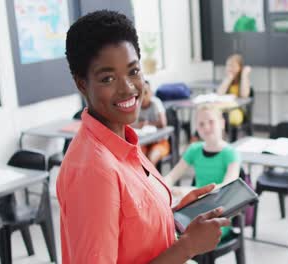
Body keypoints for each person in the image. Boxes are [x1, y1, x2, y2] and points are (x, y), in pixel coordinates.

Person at [57, 10, 229, 263]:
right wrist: (187, 247)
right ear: (82, 84)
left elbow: (131, 228)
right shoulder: (94, 171)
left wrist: (173, 212)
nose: (127, 87)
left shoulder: (124, 141)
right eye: (108, 78)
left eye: (133, 71)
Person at [165, 104, 241, 239]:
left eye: (211, 122)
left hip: (218, 215)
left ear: (222, 123)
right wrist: (164, 187)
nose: (206, 127)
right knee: (167, 228)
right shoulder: (194, 149)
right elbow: (171, 176)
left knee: (180, 236)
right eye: (201, 124)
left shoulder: (231, 153)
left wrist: (189, 191)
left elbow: (227, 187)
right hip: (197, 210)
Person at [133, 80, 170, 165]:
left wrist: (146, 124)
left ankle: (150, 178)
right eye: (140, 93)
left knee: (151, 159)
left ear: (151, 93)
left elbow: (163, 123)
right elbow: (129, 125)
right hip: (144, 142)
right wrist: (139, 125)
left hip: (160, 142)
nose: (143, 96)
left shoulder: (156, 103)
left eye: (146, 92)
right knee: (138, 158)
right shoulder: (136, 105)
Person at [216, 54, 252, 127]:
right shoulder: (227, 80)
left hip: (237, 109)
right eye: (228, 65)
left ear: (240, 68)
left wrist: (244, 75)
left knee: (231, 118)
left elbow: (244, 95)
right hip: (224, 108)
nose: (229, 68)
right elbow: (219, 93)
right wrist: (228, 79)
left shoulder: (243, 80)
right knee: (212, 114)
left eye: (232, 66)